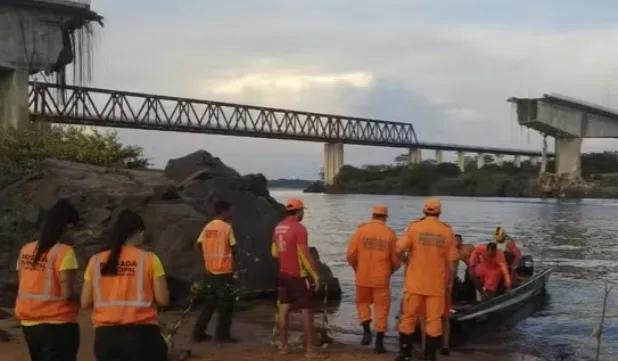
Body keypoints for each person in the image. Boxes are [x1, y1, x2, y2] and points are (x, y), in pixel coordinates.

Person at [81, 209, 170, 361]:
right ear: (140, 233)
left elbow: (85, 302)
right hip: (143, 336)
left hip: (106, 338)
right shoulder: (150, 259)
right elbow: (163, 299)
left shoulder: (95, 261)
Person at [15, 199, 81, 361]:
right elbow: (67, 294)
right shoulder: (64, 252)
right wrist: (84, 299)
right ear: (68, 226)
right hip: (58, 324)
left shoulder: (26, 250)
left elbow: (23, 282)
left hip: (29, 325)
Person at [395, 198, 458, 361]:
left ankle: (405, 354)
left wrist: (405, 260)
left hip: (414, 283)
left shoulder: (414, 228)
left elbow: (398, 248)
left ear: (424, 211)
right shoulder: (447, 231)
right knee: (434, 321)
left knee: (408, 318)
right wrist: (450, 283)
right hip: (436, 285)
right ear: (439, 212)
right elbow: (452, 262)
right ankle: (430, 356)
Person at [346, 205, 400, 354]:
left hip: (362, 276)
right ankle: (379, 344)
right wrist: (390, 272)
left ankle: (366, 331)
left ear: (373, 215)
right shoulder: (390, 234)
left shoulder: (360, 231)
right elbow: (396, 260)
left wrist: (357, 269)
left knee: (362, 303)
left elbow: (350, 255)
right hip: (381, 278)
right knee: (381, 309)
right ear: (385, 217)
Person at [271, 198, 320, 357]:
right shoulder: (299, 229)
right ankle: (310, 350)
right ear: (299, 211)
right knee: (306, 310)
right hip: (298, 276)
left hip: (283, 273)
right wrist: (315, 276)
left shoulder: (278, 227)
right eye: (302, 211)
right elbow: (304, 255)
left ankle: (283, 346)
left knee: (283, 308)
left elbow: (274, 252)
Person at [192, 199, 239, 343]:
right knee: (226, 304)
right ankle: (222, 335)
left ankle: (198, 332)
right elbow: (234, 248)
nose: (231, 214)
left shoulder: (207, 227)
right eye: (229, 211)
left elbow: (197, 245)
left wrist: (207, 256)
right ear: (224, 211)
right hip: (223, 271)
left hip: (210, 271)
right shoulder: (226, 228)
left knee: (210, 302)